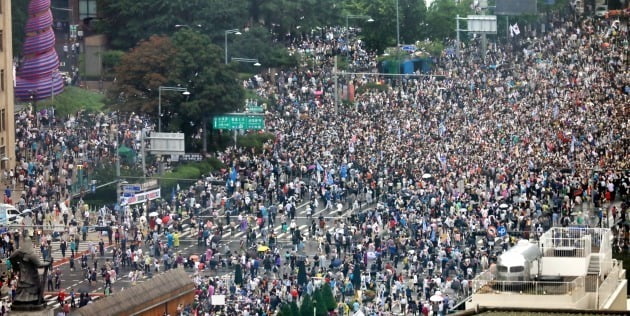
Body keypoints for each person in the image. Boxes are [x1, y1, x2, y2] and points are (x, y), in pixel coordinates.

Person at [9, 236, 51, 306]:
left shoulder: (19, 252)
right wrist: (48, 262)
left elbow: (11, 258)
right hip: (32, 274)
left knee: (22, 287)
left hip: (23, 273)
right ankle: (33, 300)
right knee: (33, 287)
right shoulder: (31, 254)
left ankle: (19, 300)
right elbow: (39, 264)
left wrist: (16, 266)